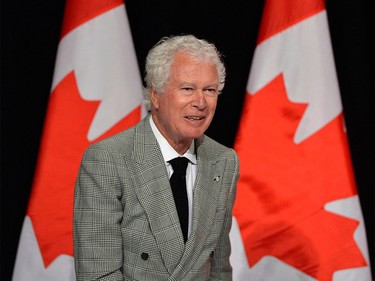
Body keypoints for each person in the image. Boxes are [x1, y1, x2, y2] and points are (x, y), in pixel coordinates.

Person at [73, 34, 239, 280]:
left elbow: (219, 268)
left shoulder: (223, 161)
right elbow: (98, 273)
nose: (201, 102)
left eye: (210, 90)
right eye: (187, 89)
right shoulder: (107, 160)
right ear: (155, 95)